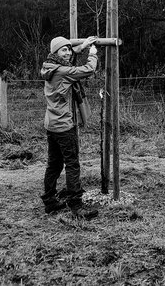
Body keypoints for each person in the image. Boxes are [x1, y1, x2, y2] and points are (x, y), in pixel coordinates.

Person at [40, 35, 99, 217]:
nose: (67, 52)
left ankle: (50, 201)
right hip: (65, 126)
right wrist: (93, 52)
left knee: (54, 164)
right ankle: (76, 205)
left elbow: (70, 58)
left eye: (68, 48)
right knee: (72, 164)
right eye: (63, 50)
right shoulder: (63, 72)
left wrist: (82, 45)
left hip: (52, 124)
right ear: (55, 53)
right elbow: (88, 70)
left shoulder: (49, 67)